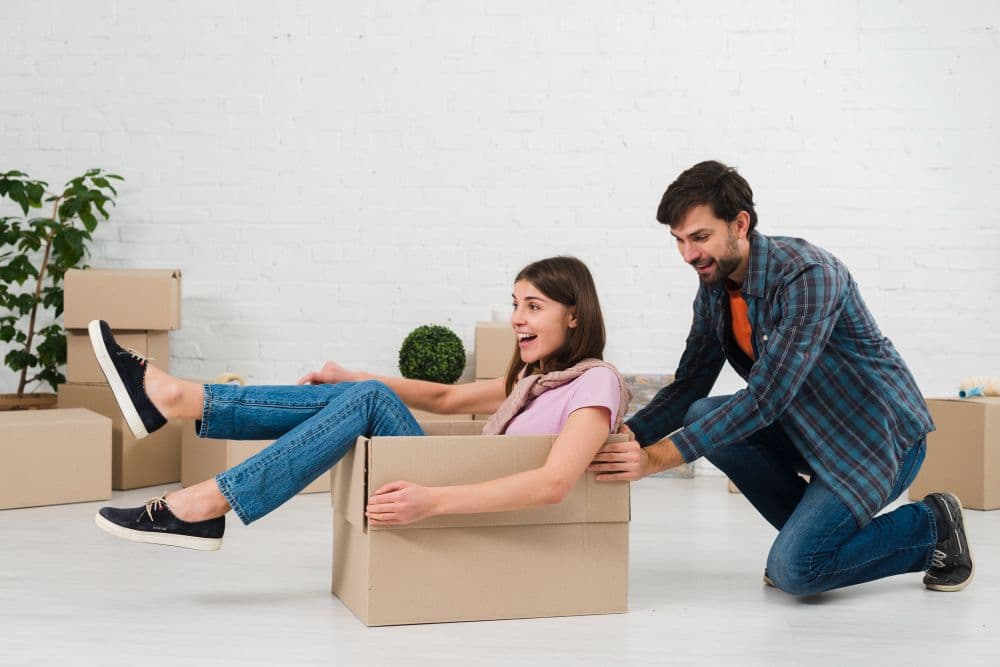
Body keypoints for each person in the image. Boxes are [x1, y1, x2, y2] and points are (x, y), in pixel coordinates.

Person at [589, 160, 974, 594]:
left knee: (797, 572)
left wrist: (656, 459)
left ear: (740, 224)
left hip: (876, 441)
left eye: (699, 237)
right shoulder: (715, 284)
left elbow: (767, 397)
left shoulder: (808, 275)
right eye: (678, 241)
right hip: (809, 430)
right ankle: (819, 545)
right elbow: (690, 384)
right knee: (701, 412)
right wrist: (624, 439)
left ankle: (930, 525)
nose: (688, 255)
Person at [91, 256, 631, 550]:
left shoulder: (595, 384)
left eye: (533, 307)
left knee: (369, 398)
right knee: (365, 394)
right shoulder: (534, 379)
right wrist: (352, 378)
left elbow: (554, 483)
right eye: (515, 305)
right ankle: (180, 406)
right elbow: (445, 397)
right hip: (452, 478)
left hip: (458, 496)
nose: (517, 318)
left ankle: (200, 486)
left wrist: (434, 502)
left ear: (574, 315)